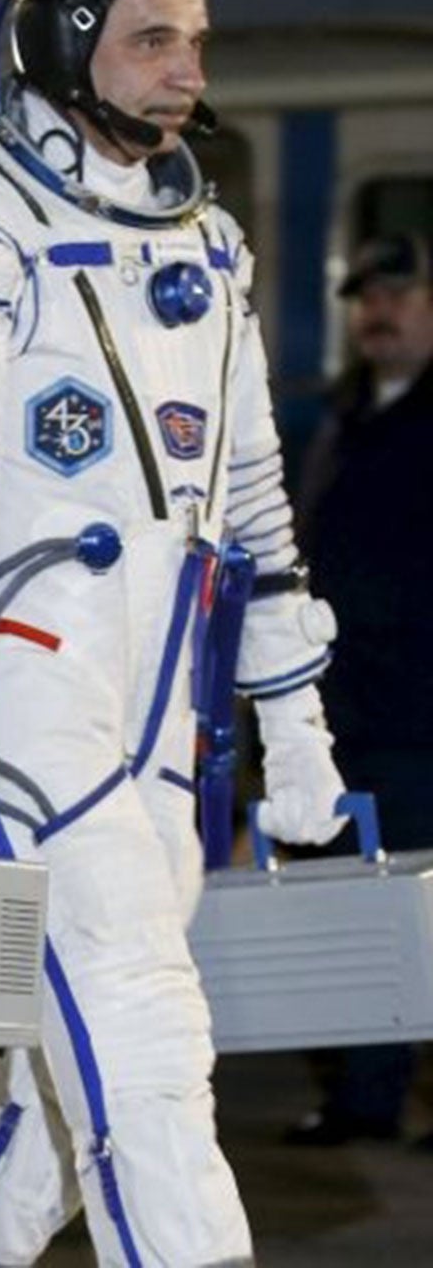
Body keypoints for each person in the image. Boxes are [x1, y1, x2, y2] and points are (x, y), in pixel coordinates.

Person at [0, 0, 348, 1266]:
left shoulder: (201, 239)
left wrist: (297, 724)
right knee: (143, 1030)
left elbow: (248, 492)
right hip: (21, 684)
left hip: (160, 699)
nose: (185, 70)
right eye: (152, 40)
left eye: (194, 41)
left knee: (70, 1063)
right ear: (68, 44)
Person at [285, 230, 433, 1145]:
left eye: (401, 296)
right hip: (350, 715)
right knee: (358, 904)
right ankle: (362, 1099)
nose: (378, 314)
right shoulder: (348, 414)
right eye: (366, 300)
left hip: (423, 715)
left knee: (419, 914)